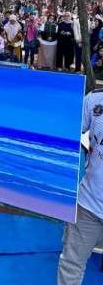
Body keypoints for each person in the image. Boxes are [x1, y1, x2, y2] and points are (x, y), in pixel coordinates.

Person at [57, 89, 103, 284]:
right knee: (71, 265)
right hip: (89, 204)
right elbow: (64, 132)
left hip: (90, 202)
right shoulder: (95, 101)